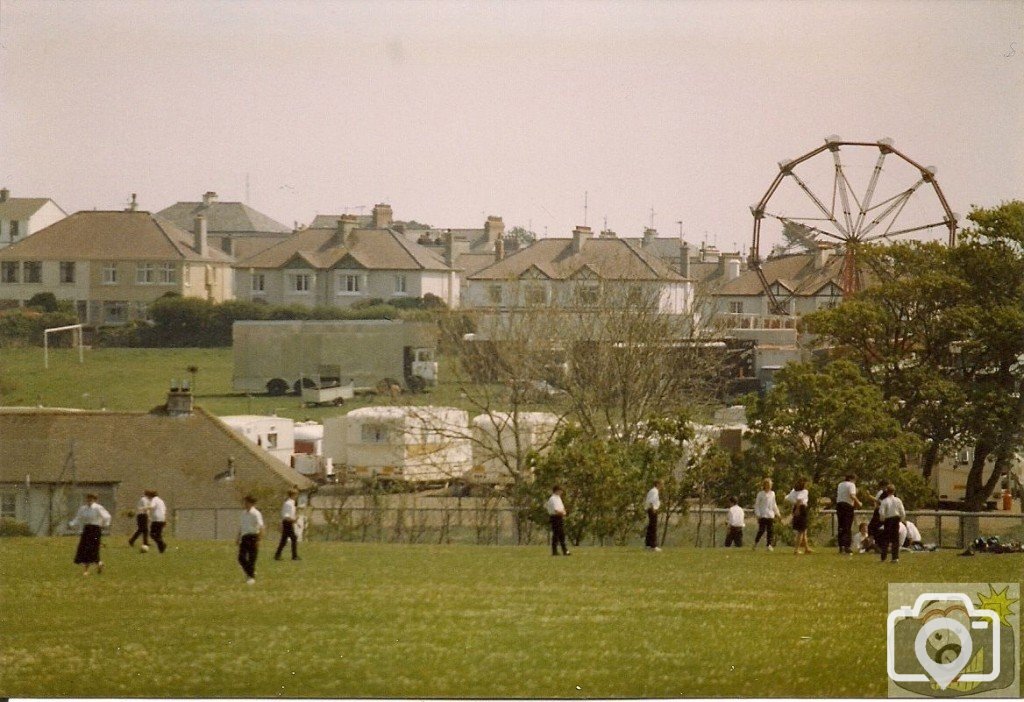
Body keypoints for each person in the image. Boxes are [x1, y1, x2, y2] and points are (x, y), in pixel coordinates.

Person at [70, 493, 111, 576]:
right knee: (85, 549)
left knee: (94, 549)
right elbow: (78, 518)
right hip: (87, 529)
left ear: (94, 499)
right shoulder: (83, 508)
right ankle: (86, 570)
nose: (89, 500)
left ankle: (98, 563)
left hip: (95, 529)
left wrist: (105, 524)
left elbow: (107, 516)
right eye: (88, 498)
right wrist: (72, 524)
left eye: (91, 499)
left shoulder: (98, 508)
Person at [237, 495, 264, 584]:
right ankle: (250, 572)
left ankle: (251, 577)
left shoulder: (256, 513)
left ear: (251, 503)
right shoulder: (243, 513)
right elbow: (241, 526)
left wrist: (259, 540)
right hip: (245, 537)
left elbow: (261, 527)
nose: (245, 504)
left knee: (252, 559)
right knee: (241, 558)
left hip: (253, 537)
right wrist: (238, 537)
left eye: (247, 502)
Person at [877, 483, 906, 563]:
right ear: (894, 491)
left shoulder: (884, 501)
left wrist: (882, 519)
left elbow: (882, 512)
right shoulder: (898, 500)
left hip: (888, 520)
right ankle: (895, 558)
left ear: (887, 491)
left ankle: (883, 557)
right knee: (895, 539)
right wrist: (901, 519)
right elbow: (902, 512)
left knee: (886, 539)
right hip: (896, 519)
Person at [835, 473, 862, 555]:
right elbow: (852, 495)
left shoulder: (840, 484)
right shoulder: (851, 485)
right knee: (847, 526)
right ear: (852, 479)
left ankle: (841, 546)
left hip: (839, 505)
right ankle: (847, 546)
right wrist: (859, 503)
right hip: (847, 506)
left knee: (841, 527)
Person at [785, 477, 813, 554]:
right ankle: (796, 549)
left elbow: (787, 498)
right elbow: (799, 500)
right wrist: (797, 509)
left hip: (795, 508)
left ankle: (806, 548)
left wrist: (794, 508)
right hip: (801, 509)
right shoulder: (804, 491)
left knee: (804, 530)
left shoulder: (793, 491)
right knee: (801, 531)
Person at [753, 477, 781, 551]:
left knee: (770, 531)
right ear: (764, 485)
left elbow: (774, 504)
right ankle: (756, 543)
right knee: (761, 530)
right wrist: (758, 514)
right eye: (767, 484)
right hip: (763, 515)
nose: (769, 486)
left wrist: (777, 513)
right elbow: (757, 505)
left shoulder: (772, 493)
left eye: (770, 484)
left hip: (770, 515)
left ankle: (768, 545)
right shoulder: (760, 494)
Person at [274, 489, 300, 561]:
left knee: (284, 540)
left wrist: (295, 521)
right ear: (293, 495)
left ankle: (277, 555)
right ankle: (294, 556)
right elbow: (286, 516)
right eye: (296, 495)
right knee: (293, 538)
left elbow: (291, 515)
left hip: (289, 523)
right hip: (287, 523)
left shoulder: (292, 503)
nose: (297, 496)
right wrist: (293, 520)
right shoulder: (288, 504)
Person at [544, 485, 570, 556]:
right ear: (557, 490)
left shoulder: (558, 498)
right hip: (555, 518)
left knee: (562, 534)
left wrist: (564, 512)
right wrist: (563, 513)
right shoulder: (553, 499)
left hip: (559, 517)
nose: (561, 492)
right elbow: (556, 510)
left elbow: (562, 508)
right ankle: (554, 551)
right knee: (556, 534)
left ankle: (565, 550)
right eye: (560, 490)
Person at [644, 480, 662, 552]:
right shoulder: (655, 491)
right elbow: (652, 501)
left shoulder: (652, 491)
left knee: (650, 527)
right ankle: (653, 546)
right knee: (653, 528)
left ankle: (648, 544)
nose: (662, 486)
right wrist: (653, 509)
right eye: (661, 484)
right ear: (657, 484)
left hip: (650, 509)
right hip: (652, 510)